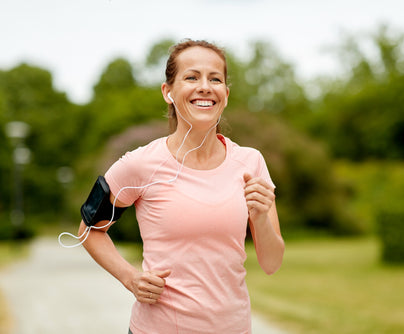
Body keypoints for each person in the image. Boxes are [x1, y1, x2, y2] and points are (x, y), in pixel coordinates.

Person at [77, 39, 284, 334]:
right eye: (191, 77)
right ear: (168, 92)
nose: (205, 86)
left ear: (226, 93)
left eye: (215, 79)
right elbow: (89, 228)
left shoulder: (251, 163)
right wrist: (130, 278)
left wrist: (261, 215)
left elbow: (272, 263)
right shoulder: (139, 164)